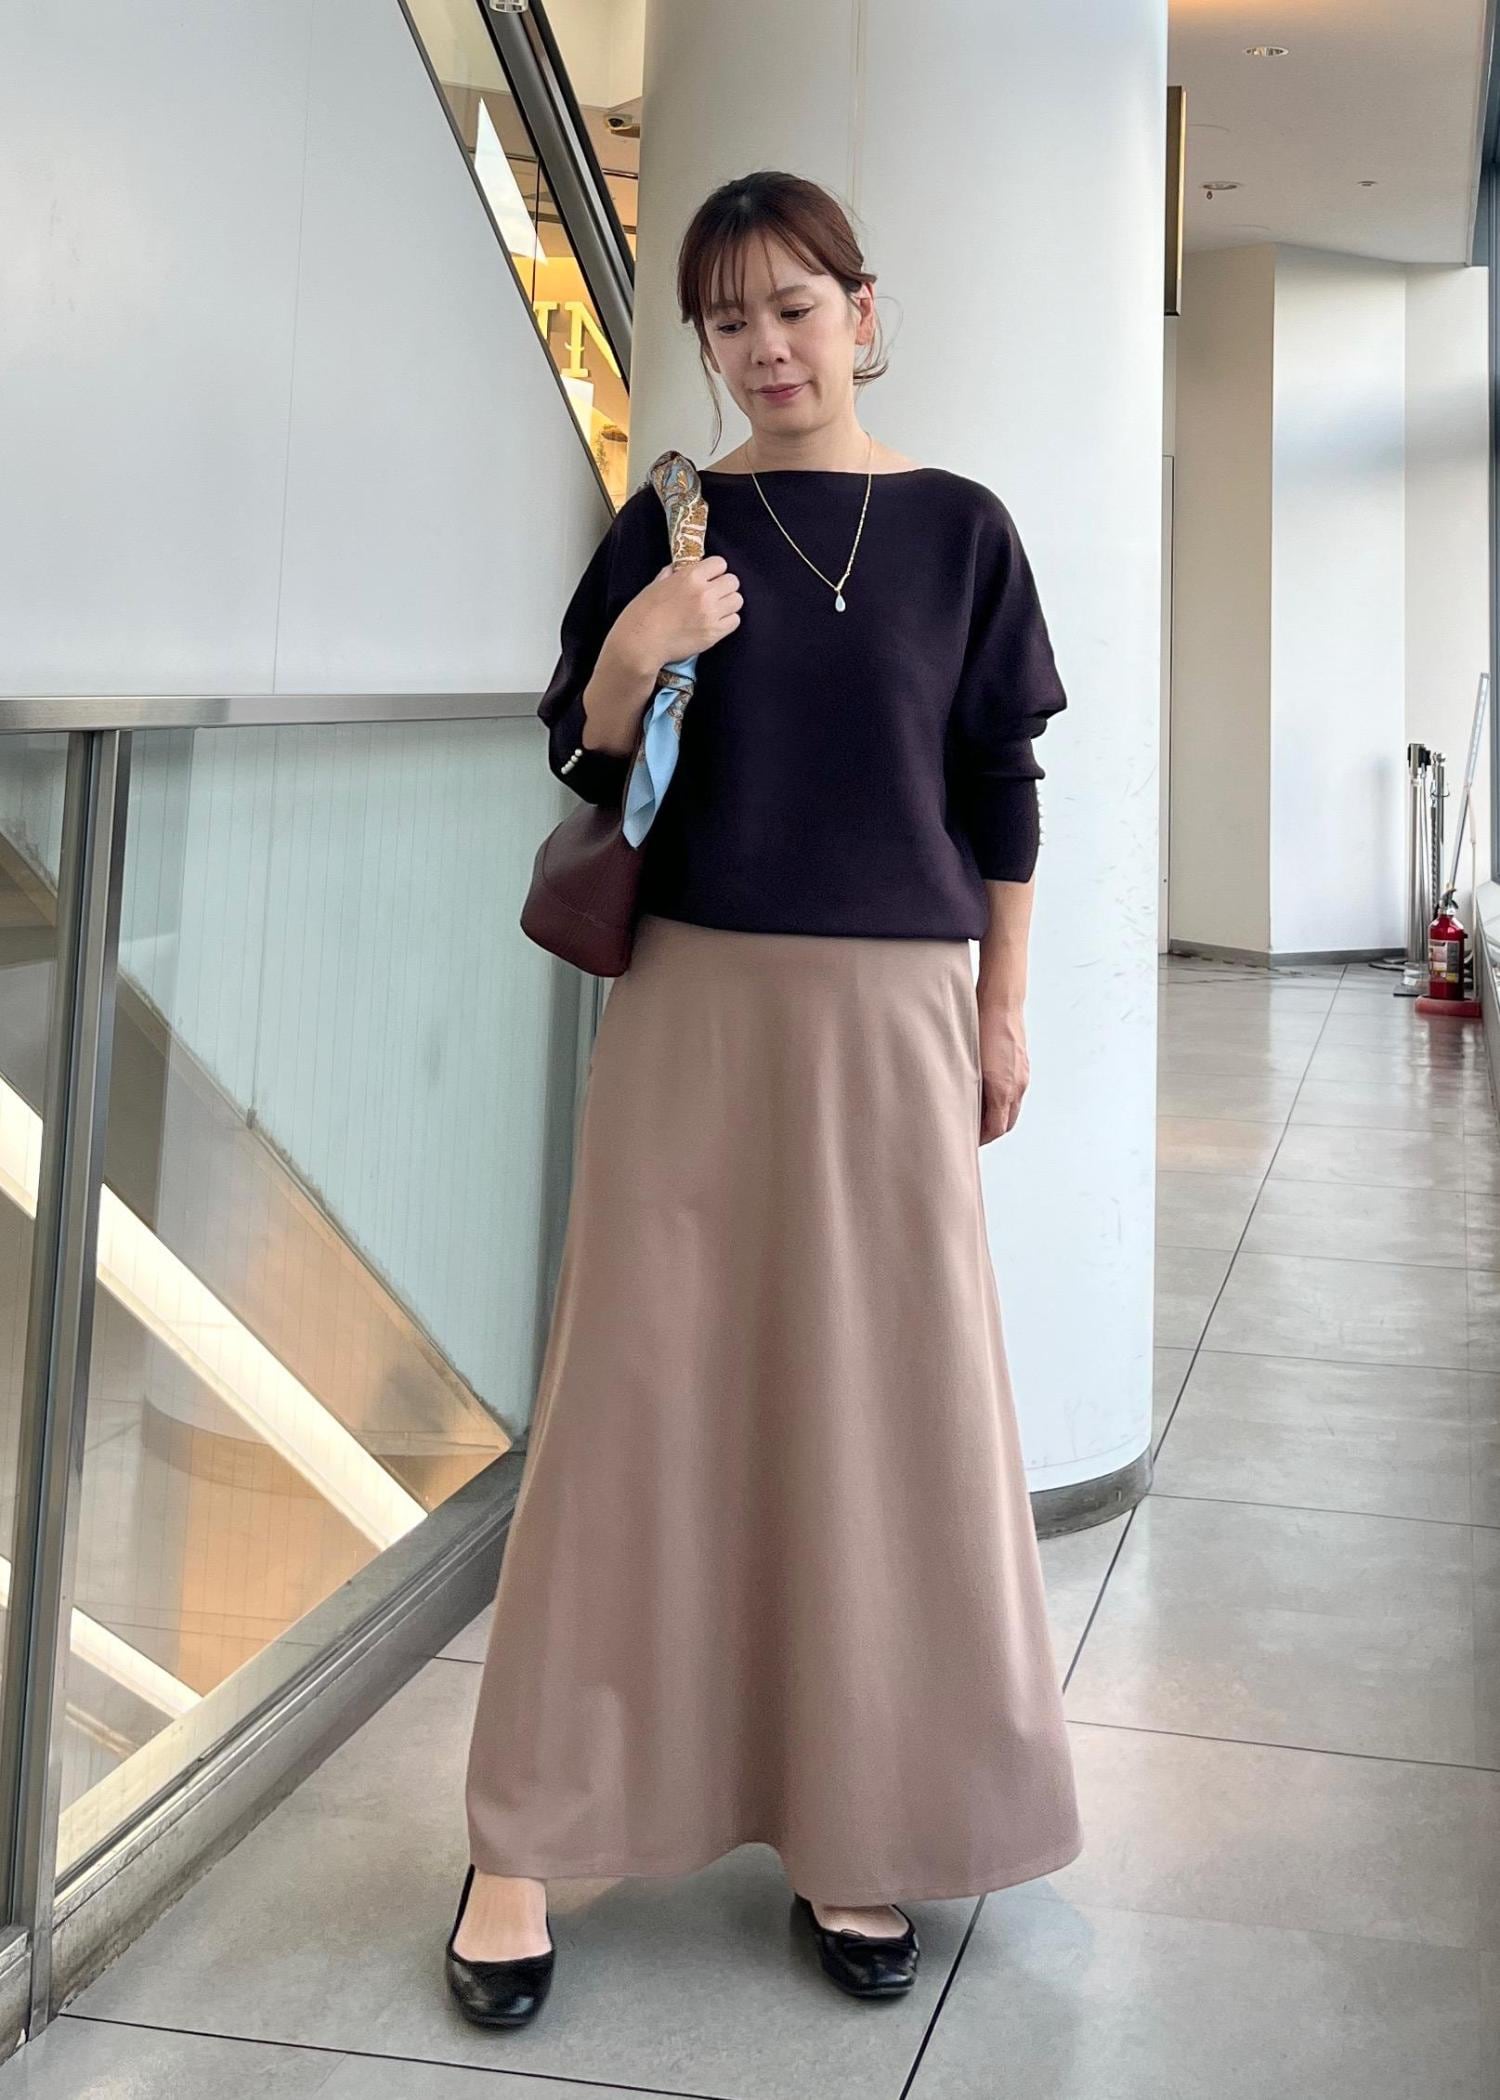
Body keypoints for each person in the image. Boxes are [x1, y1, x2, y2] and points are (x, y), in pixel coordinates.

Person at [445, 168, 1082, 2027]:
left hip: (896, 1012)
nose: (766, 349)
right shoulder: (669, 522)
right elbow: (585, 752)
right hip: (697, 1007)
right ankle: (521, 1834)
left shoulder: (961, 529)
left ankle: (850, 1818)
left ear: (862, 313)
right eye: (729, 322)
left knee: (880, 1407)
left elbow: (1002, 790)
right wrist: (640, 649)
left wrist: (1004, 1010)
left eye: (795, 309)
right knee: (631, 1394)